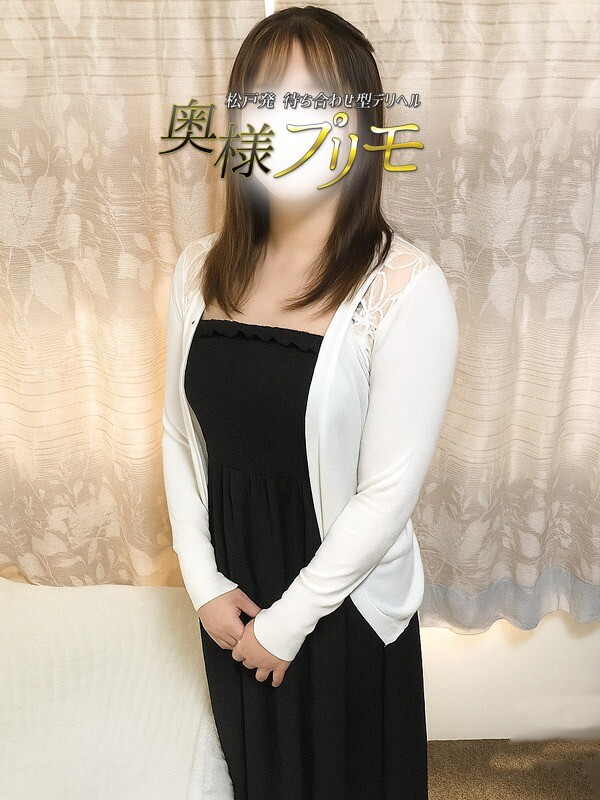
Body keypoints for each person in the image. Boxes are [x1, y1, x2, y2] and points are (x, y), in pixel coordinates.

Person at [162, 7, 459, 800]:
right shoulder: (198, 269)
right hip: (233, 601)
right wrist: (203, 584)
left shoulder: (405, 287)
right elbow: (177, 435)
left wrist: (288, 623)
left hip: (340, 605)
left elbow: (387, 495)